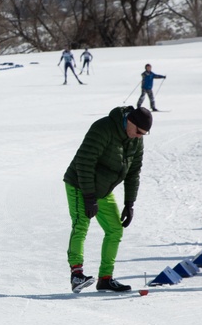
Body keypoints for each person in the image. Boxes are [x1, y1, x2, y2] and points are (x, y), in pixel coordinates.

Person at [63, 105, 150, 293]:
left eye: (144, 134)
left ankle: (105, 278)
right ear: (130, 122)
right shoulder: (103, 128)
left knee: (115, 230)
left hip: (103, 189)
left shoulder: (136, 140)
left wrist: (129, 203)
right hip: (79, 183)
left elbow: (134, 172)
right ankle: (76, 274)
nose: (139, 136)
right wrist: (89, 198)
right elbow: (84, 162)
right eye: (138, 131)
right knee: (81, 224)